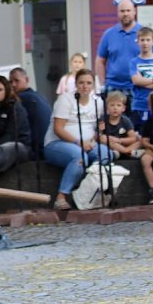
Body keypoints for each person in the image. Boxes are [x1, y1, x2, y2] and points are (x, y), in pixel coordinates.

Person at [43, 69, 112, 211]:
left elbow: (95, 130)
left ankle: (90, 193)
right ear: (76, 84)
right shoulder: (66, 99)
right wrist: (79, 143)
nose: (85, 86)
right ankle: (61, 197)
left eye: (88, 83)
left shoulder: (98, 102)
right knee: (80, 158)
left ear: (93, 85)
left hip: (87, 143)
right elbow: (58, 129)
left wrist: (97, 135)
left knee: (106, 154)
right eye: (81, 82)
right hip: (58, 143)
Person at [94, 0, 153, 110]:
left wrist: (150, 85)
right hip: (113, 87)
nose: (125, 13)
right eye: (122, 11)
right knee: (114, 124)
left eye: (128, 10)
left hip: (138, 88)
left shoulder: (145, 34)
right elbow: (100, 60)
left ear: (134, 11)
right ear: (117, 13)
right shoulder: (109, 34)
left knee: (138, 124)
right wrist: (103, 83)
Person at [129, 26, 153, 131]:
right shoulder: (134, 62)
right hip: (139, 105)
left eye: (148, 40)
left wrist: (143, 81)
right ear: (138, 42)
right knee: (140, 135)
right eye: (142, 40)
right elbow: (135, 81)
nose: (145, 43)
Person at [9, 67, 52, 159]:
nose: (13, 84)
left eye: (16, 81)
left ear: (27, 80)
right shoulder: (40, 96)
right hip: (48, 147)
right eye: (10, 82)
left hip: (36, 152)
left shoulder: (20, 99)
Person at [98, 91, 141, 160]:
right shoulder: (103, 119)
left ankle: (123, 151)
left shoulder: (125, 120)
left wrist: (119, 140)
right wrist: (100, 130)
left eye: (118, 105)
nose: (115, 108)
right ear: (107, 107)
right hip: (111, 145)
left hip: (123, 143)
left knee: (140, 140)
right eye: (112, 105)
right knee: (103, 138)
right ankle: (127, 152)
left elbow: (132, 138)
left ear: (123, 108)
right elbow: (98, 137)